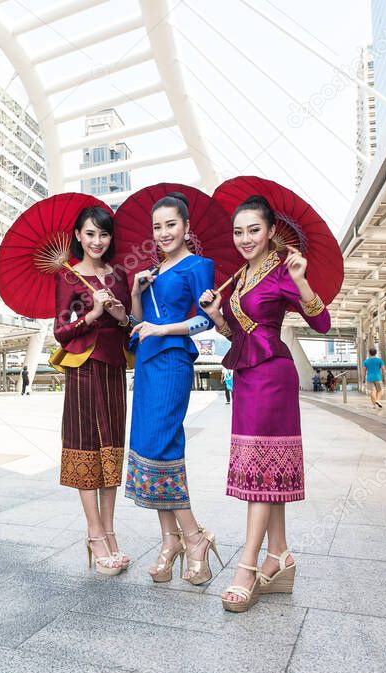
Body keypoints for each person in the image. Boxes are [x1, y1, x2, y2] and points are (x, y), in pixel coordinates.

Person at [199, 194, 331, 613]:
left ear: (271, 230)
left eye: (253, 230)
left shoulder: (283, 269)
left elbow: (322, 322)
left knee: (262, 470)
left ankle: (248, 566)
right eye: (238, 232)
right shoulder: (239, 276)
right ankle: (280, 555)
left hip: (274, 376)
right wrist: (218, 315)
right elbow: (238, 335)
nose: (244, 238)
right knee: (266, 468)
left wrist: (302, 280)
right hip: (247, 376)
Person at [127, 192, 223, 586]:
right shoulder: (152, 272)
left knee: (164, 443)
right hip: (148, 364)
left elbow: (206, 322)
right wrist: (136, 291)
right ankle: (170, 540)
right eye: (158, 227)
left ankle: (195, 537)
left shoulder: (199, 266)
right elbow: (137, 323)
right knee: (148, 446)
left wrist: (164, 328)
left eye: (171, 224)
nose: (164, 232)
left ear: (186, 227)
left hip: (173, 363)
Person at [54, 205, 132, 576]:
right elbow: (59, 331)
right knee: (86, 446)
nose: (97, 241)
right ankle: (95, 532)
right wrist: (91, 316)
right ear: (78, 236)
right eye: (90, 234)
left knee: (112, 448)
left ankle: (110, 528)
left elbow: (131, 325)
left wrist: (120, 316)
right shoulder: (68, 277)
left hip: (114, 367)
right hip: (83, 369)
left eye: (103, 234)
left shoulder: (119, 275)